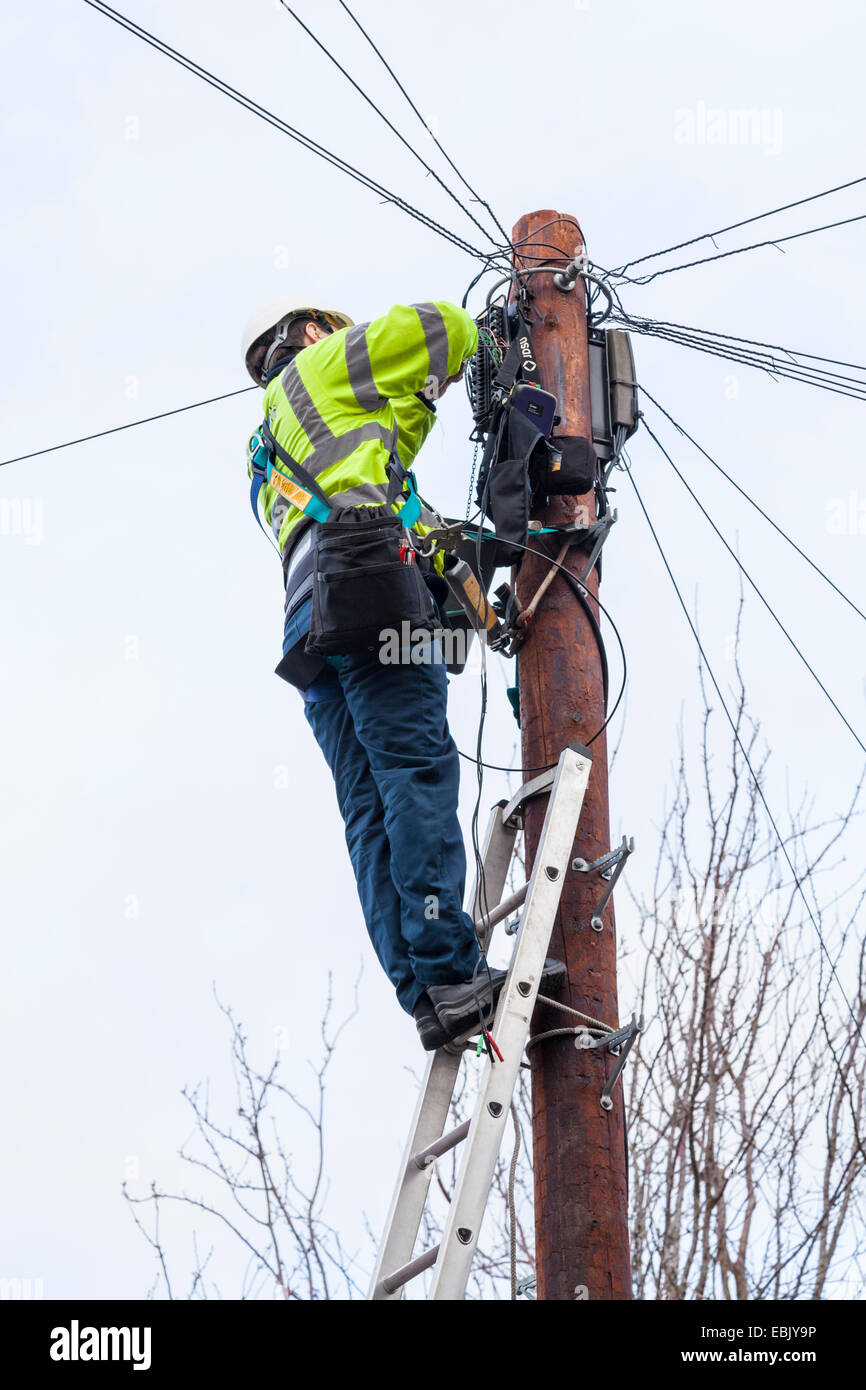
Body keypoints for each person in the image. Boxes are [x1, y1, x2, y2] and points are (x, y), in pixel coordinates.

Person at [241, 296, 508, 1050]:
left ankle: (425, 992)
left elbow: (380, 475)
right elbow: (441, 329)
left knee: (368, 806)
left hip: (313, 623)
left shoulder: (270, 442)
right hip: (369, 588)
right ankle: (451, 969)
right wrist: (486, 356)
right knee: (415, 769)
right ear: (315, 333)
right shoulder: (325, 366)